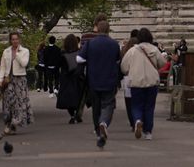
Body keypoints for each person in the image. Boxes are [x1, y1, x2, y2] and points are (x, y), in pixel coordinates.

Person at [77, 19, 120, 148]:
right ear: (108, 30)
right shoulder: (114, 44)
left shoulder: (90, 44)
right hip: (110, 80)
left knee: (96, 106)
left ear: (97, 29)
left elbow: (79, 58)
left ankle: (97, 131)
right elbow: (118, 61)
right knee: (108, 104)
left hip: (94, 80)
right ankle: (104, 123)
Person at [120, 27, 166, 141]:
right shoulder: (154, 50)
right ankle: (148, 132)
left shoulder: (132, 51)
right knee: (149, 107)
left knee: (136, 105)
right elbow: (162, 63)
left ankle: (138, 120)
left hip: (136, 82)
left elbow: (124, 67)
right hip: (152, 82)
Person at [0, 31, 33, 135]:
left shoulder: (24, 51)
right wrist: (0, 80)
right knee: (8, 102)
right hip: (9, 79)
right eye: (13, 39)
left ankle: (14, 123)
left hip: (20, 79)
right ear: (10, 40)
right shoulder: (6, 51)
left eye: (16, 39)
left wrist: (16, 54)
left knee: (20, 103)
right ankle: (8, 124)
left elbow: (24, 63)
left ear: (19, 39)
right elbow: (2, 67)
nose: (15, 41)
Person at [56, 34, 84, 124]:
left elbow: (58, 65)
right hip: (77, 77)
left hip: (66, 77)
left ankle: (72, 115)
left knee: (68, 98)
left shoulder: (62, 53)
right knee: (79, 97)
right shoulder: (80, 52)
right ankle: (78, 114)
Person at [120, 28, 140, 131]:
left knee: (129, 102)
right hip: (139, 77)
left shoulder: (125, 49)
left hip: (127, 77)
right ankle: (139, 119)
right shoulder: (141, 48)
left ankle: (133, 123)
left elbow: (122, 65)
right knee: (139, 101)